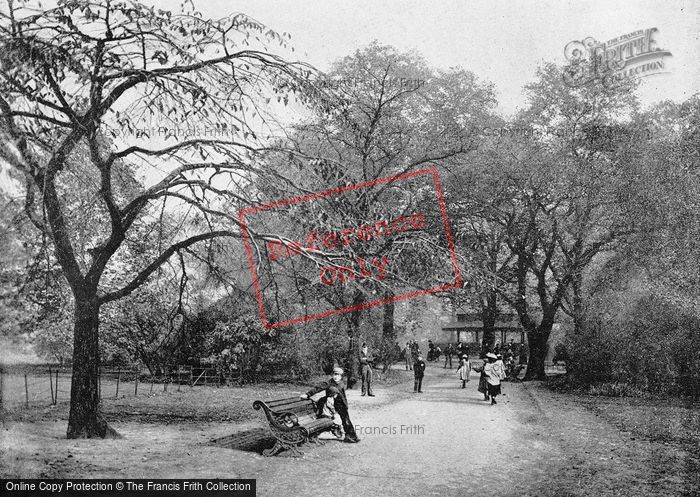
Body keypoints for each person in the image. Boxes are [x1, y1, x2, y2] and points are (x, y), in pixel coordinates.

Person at [301, 367, 360, 443]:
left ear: (341, 376)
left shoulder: (341, 383)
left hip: (341, 404)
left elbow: (343, 395)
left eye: (338, 375)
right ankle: (315, 434)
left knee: (346, 420)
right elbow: (318, 388)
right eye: (334, 374)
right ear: (332, 375)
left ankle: (351, 436)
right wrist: (308, 394)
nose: (336, 377)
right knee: (339, 419)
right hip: (331, 404)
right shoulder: (328, 383)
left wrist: (345, 404)